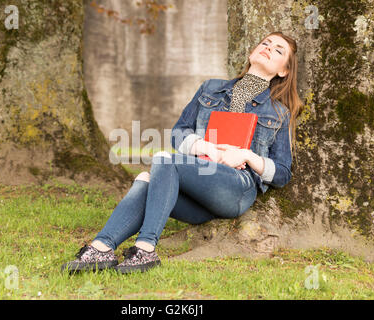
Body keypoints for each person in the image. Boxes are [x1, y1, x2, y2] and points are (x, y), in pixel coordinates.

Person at [61, 31, 302, 274]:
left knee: (164, 160)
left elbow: (282, 172)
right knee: (146, 180)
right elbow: (178, 134)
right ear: (252, 52)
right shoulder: (211, 88)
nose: (269, 48)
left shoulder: (279, 112)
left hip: (237, 188)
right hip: (200, 184)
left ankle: (145, 248)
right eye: (265, 43)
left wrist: (247, 156)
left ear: (283, 71)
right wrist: (209, 149)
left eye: (278, 50)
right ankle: (101, 248)